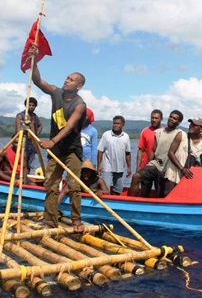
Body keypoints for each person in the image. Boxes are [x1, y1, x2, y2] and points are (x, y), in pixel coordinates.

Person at [29, 44, 87, 232]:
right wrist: (34, 61)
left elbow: (70, 127)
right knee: (51, 185)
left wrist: (52, 141)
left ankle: (76, 220)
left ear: (79, 86)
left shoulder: (80, 105)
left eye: (71, 80)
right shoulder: (56, 93)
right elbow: (38, 81)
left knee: (73, 186)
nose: (66, 80)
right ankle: (50, 221)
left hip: (71, 149)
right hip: (55, 149)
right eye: (67, 78)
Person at [130, 110, 183, 197]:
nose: (154, 120)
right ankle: (132, 203)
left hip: (166, 168)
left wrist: (182, 168)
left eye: (156, 118)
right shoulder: (154, 132)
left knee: (159, 193)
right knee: (137, 178)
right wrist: (143, 165)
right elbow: (147, 150)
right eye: (152, 118)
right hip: (153, 165)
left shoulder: (179, 134)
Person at [163, 117, 202, 196]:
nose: (191, 126)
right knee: (168, 195)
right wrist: (182, 169)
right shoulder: (181, 135)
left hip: (185, 175)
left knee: (180, 197)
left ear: (201, 128)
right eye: (191, 124)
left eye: (195, 125)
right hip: (172, 172)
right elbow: (170, 153)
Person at [97, 115, 131, 195]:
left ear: (122, 125)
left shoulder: (126, 136)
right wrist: (99, 166)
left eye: (118, 123)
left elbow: (128, 153)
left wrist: (129, 167)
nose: (115, 125)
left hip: (120, 167)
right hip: (107, 167)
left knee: (118, 189)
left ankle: (115, 204)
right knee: (105, 188)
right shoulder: (106, 135)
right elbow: (100, 151)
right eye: (114, 123)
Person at [15, 97, 43, 172]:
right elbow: (18, 131)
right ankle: (22, 179)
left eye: (33, 105)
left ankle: (26, 178)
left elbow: (40, 125)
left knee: (29, 163)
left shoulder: (35, 117)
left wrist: (36, 134)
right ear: (26, 105)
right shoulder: (21, 116)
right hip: (24, 142)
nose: (31, 107)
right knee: (23, 162)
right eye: (29, 105)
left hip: (32, 143)